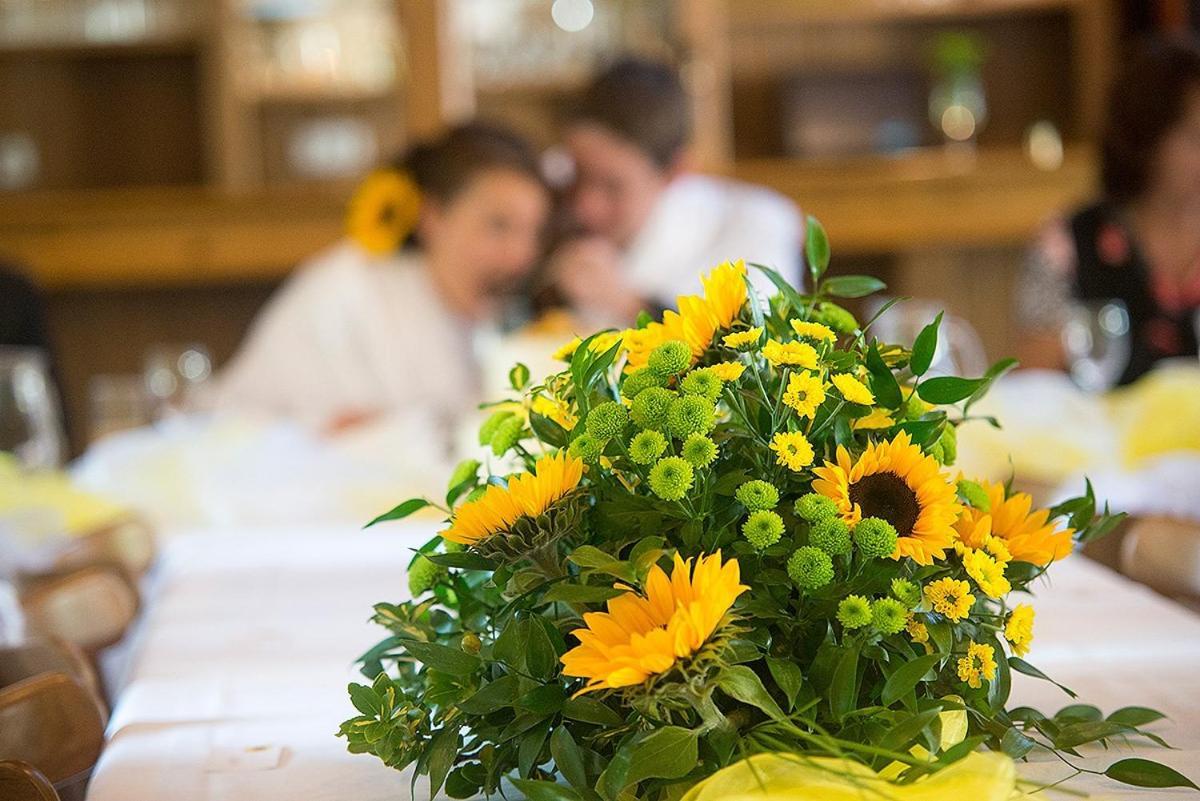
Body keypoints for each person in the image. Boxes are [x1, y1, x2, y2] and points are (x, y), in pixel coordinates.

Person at [216, 123, 550, 431]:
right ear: (432, 217)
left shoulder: (506, 320)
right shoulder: (345, 289)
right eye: (498, 226)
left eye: (532, 232)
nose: (521, 256)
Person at [547, 58, 802, 328]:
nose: (585, 206)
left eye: (613, 186)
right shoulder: (549, 191)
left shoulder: (757, 221)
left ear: (676, 171)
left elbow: (759, 350)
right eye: (578, 175)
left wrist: (630, 305)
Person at [1018, 39, 1200, 384]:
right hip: (1102, 435)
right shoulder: (1070, 241)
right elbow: (1032, 379)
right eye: (1193, 136)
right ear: (1146, 138)